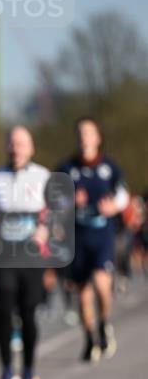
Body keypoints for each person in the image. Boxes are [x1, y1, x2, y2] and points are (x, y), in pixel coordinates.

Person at [0, 126, 51, 379]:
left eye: (21, 144)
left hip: (31, 254)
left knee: (28, 312)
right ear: (5, 147)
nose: (16, 149)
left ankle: (30, 371)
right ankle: (7, 370)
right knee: (4, 309)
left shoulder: (43, 176)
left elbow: (57, 212)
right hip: (2, 254)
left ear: (30, 148)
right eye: (11, 144)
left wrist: (45, 229)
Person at [57, 117, 129, 361]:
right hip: (77, 236)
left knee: (101, 284)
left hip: (102, 234)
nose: (84, 137)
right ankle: (89, 338)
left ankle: (104, 323)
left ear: (97, 138)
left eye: (88, 132)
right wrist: (69, 202)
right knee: (83, 292)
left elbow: (123, 194)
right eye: (80, 133)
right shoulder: (66, 167)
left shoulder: (109, 166)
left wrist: (114, 207)